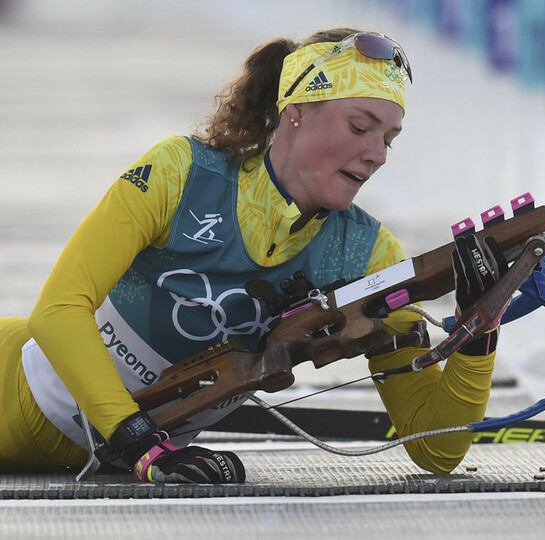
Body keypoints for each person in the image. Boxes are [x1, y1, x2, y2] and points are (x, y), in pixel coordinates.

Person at [0, 27, 506, 483]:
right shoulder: (179, 174)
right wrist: (138, 443)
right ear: (297, 112)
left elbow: (436, 448)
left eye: (389, 140)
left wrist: (479, 327)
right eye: (359, 127)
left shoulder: (367, 255)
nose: (376, 155)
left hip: (115, 453)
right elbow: (57, 310)